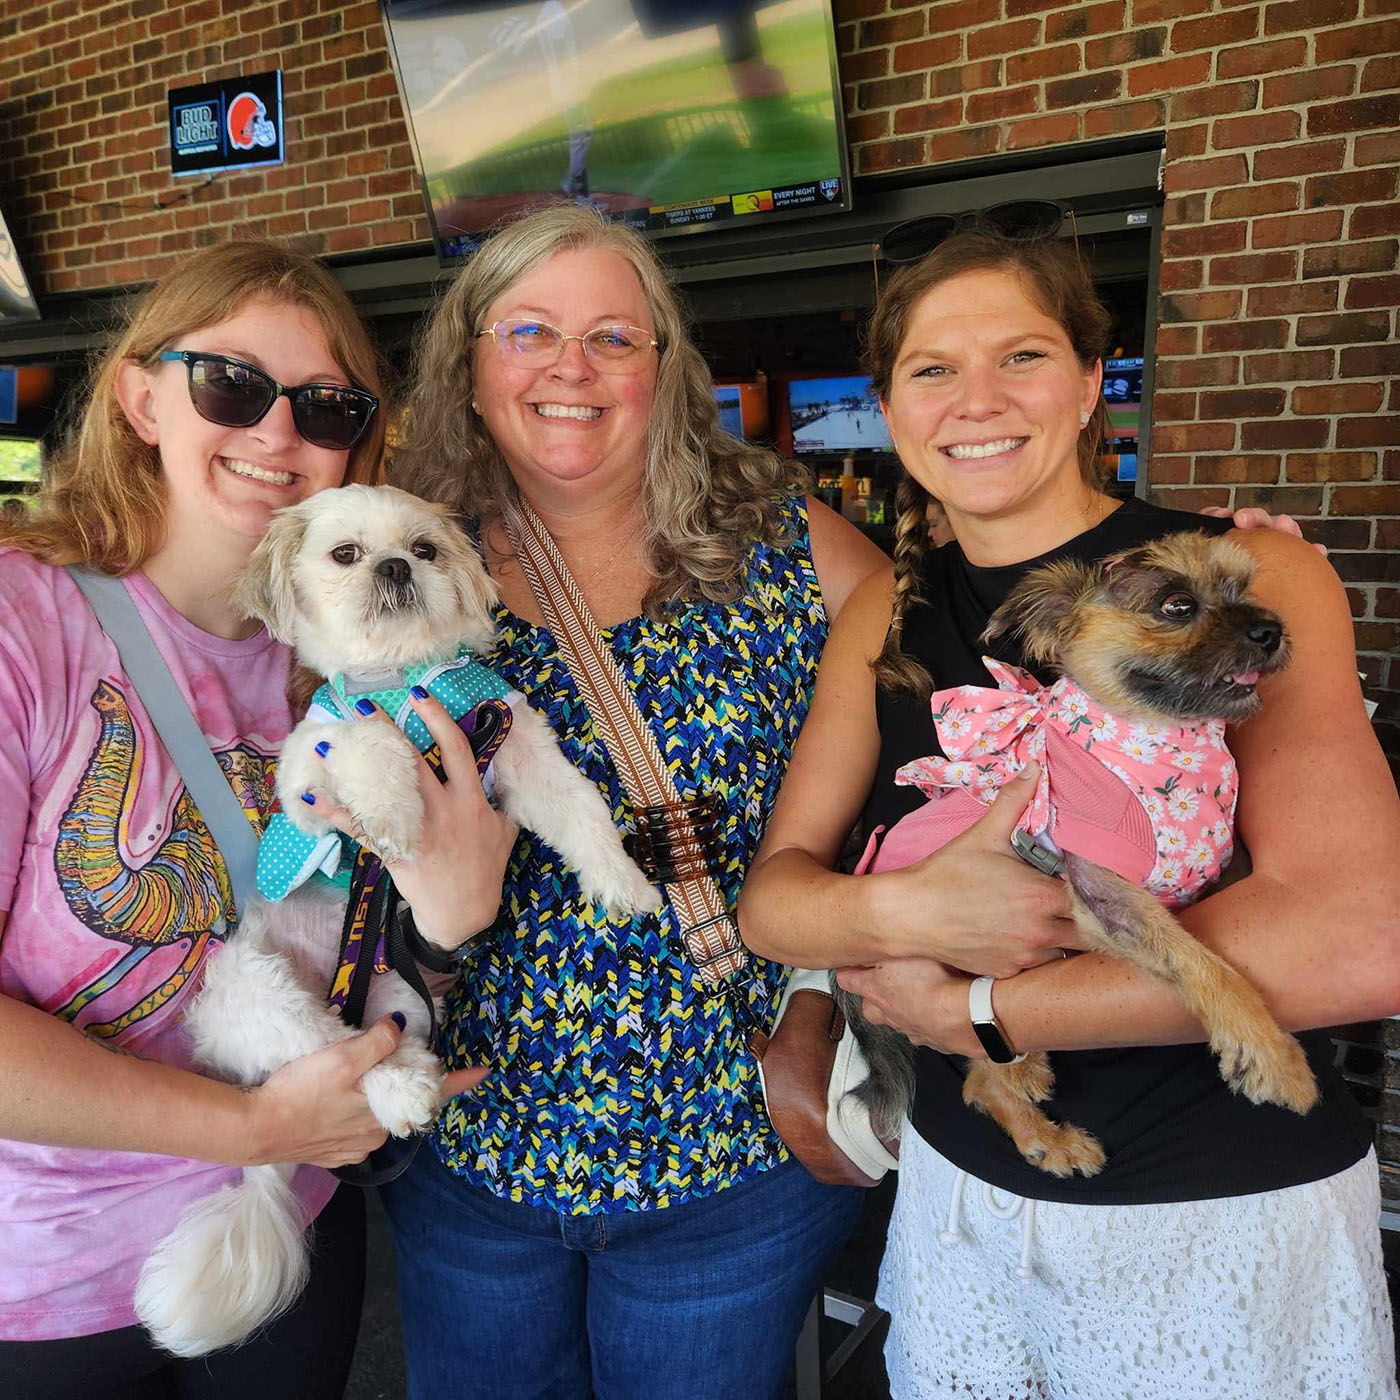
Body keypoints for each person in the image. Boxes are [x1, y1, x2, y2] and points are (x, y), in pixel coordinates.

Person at [739, 229, 1400, 1399]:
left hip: (1216, 1201)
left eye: (1022, 356)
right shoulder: (886, 612)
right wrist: (904, 905)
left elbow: (1358, 942)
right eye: (931, 369)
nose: (975, 401)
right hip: (961, 1204)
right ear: (888, 405)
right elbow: (776, 903)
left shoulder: (1241, 571)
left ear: (1093, 379)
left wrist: (979, 1007)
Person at [383, 201, 887, 1400]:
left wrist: (819, 994)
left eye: (613, 335)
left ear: (664, 366)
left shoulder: (783, 543)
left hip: (728, 1152)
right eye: (529, 331)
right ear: (470, 359)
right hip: (473, 1151)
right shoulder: (409, 559)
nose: (571, 366)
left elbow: (922, 757)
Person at [0, 240, 492, 1400]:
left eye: (326, 407)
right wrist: (251, 1126)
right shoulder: (26, 619)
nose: (278, 434)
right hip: (52, 1277)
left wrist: (446, 925)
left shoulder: (348, 660)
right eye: (231, 383)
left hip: (290, 1229)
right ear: (138, 395)